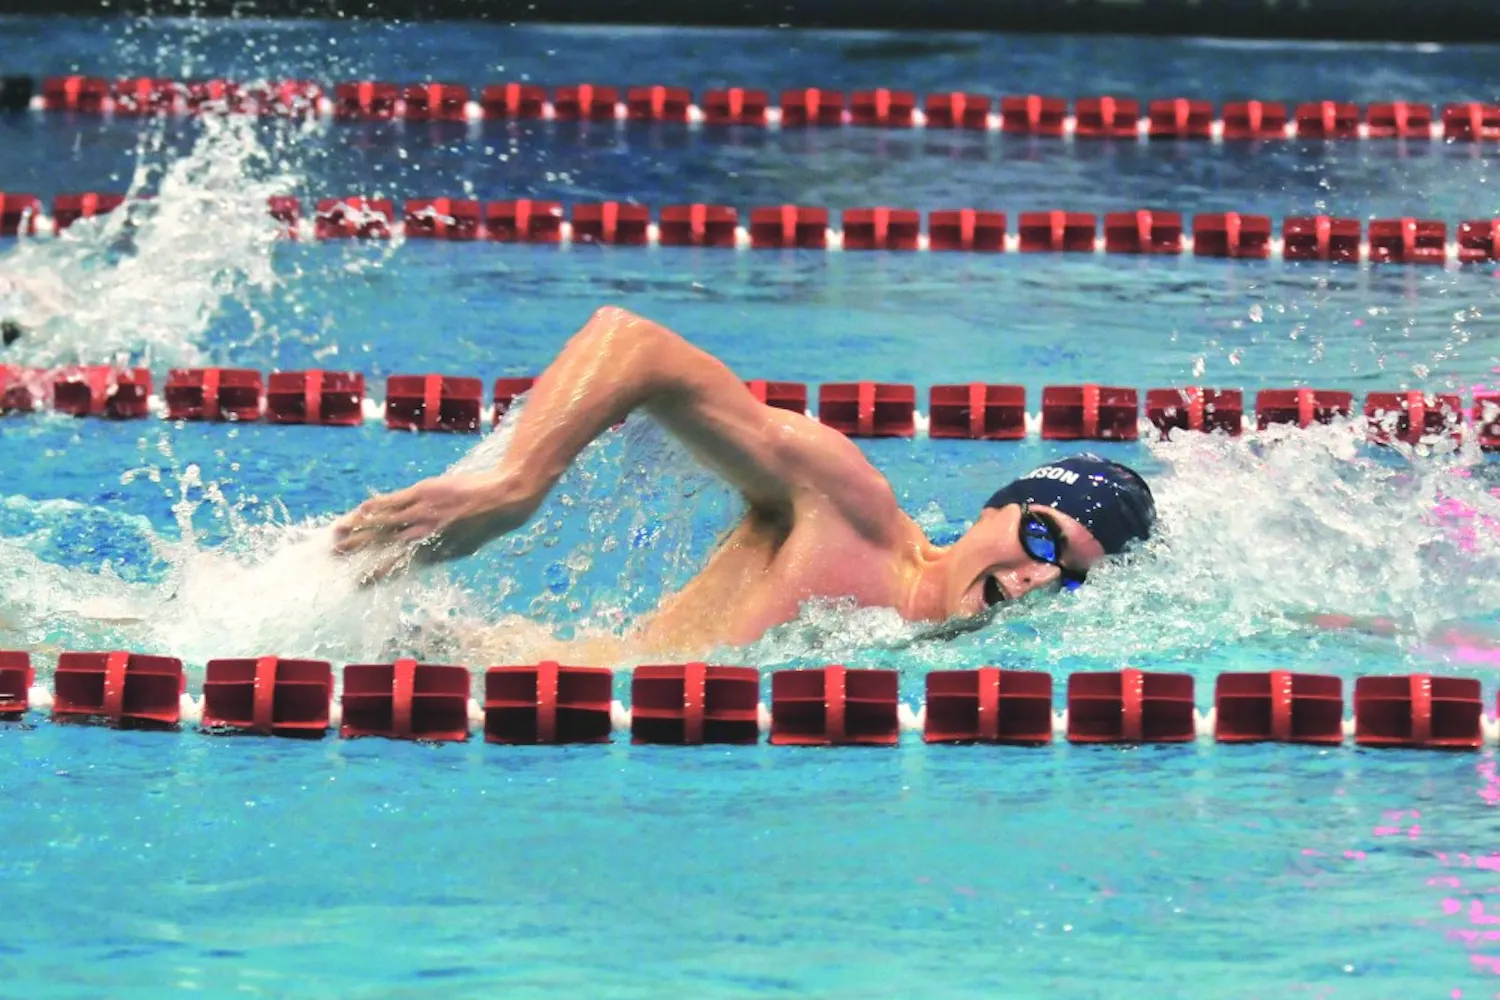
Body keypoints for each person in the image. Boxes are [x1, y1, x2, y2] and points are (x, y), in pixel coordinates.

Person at [333, 306, 1156, 659]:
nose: (1034, 581)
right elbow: (637, 346)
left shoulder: (983, 669)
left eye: (1068, 577)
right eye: (1040, 540)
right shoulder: (850, 512)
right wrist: (515, 486)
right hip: (485, 678)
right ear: (993, 511)